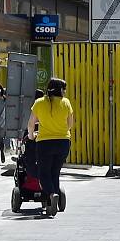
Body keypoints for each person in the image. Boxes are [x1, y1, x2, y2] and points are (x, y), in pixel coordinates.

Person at [27, 78, 74, 217]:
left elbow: (31, 123)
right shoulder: (66, 103)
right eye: (64, 89)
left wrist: (31, 135)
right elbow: (70, 124)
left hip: (44, 143)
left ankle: (52, 194)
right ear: (60, 90)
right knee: (55, 171)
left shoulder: (39, 103)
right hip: (63, 142)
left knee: (44, 173)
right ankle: (54, 197)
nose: (65, 91)